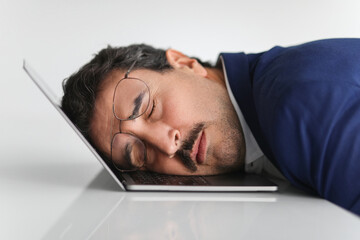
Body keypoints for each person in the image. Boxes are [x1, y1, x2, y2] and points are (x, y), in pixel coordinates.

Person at [62, 39, 360, 215]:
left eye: (148, 107)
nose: (168, 145)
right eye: (138, 155)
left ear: (184, 63)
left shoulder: (295, 107)